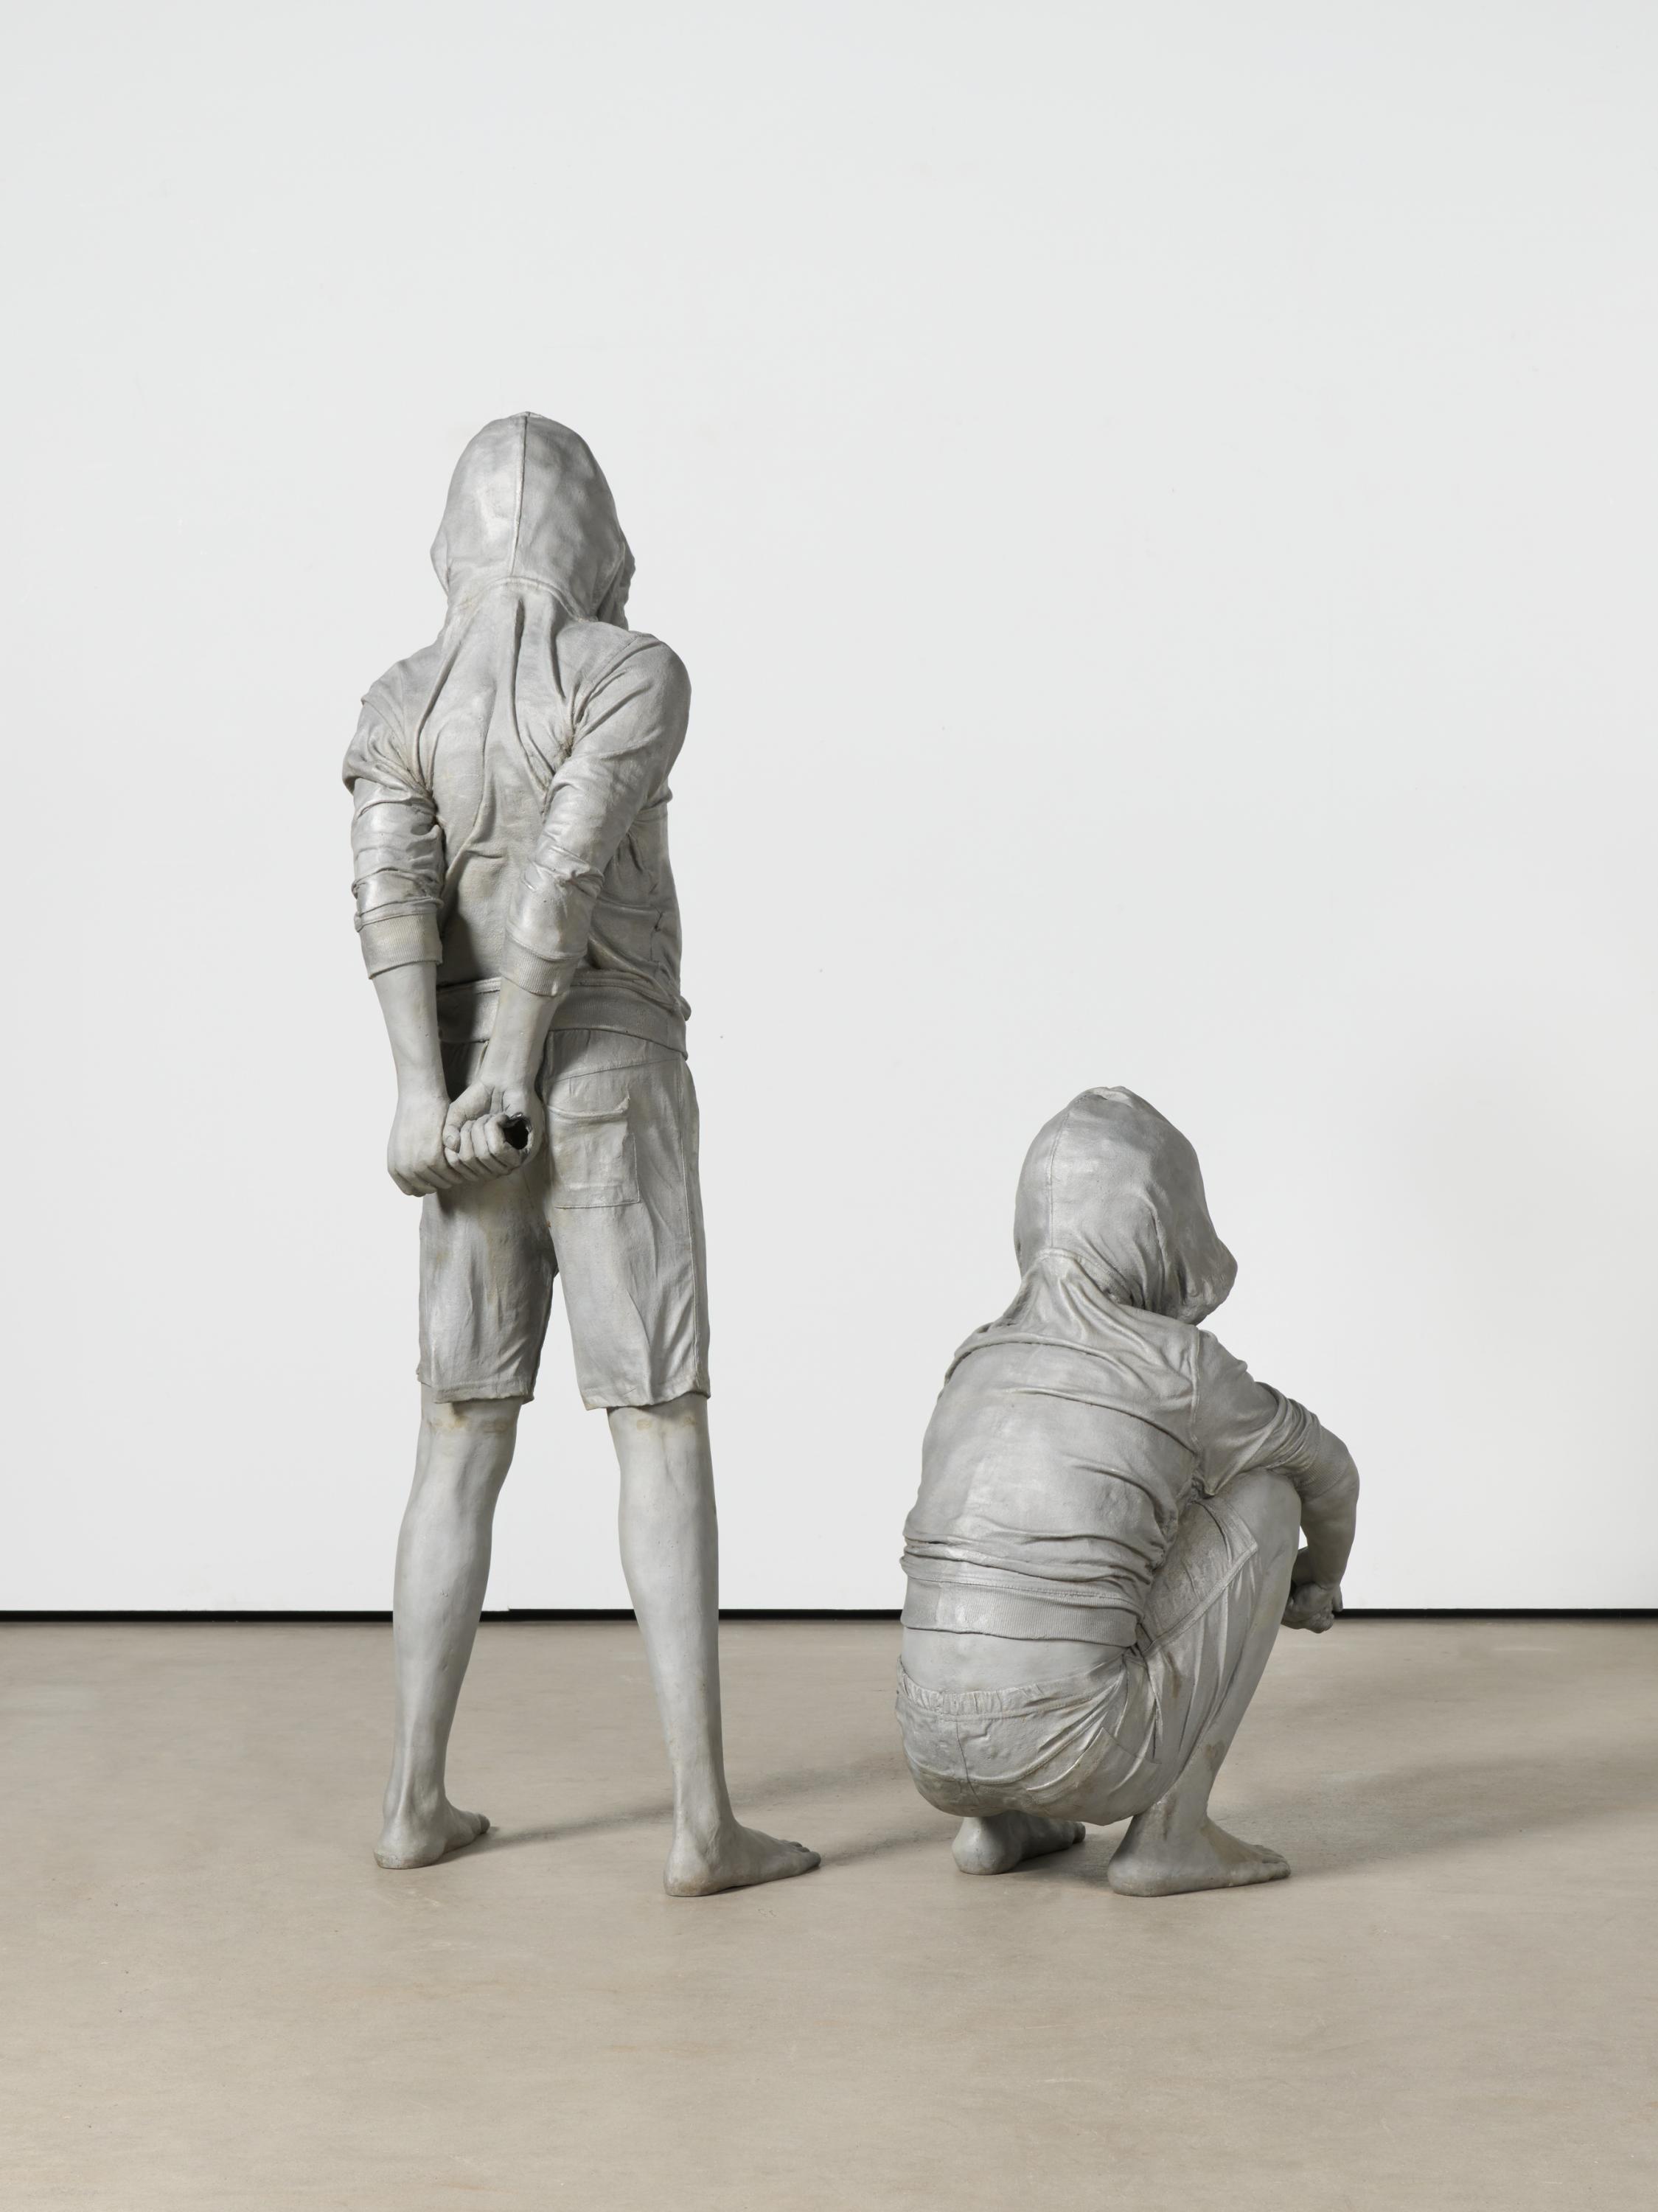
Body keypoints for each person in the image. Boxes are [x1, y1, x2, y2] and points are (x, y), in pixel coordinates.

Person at [344, 412, 817, 1896]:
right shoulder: (630, 671)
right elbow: (568, 860)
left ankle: (414, 1803)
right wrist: (503, 1073)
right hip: (606, 1070)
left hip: (463, 1105)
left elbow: (390, 894)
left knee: (457, 1431)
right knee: (656, 1422)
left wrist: (427, 1094)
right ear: (594, 537)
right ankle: (700, 1826)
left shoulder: (400, 697)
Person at [896, 1087, 1358, 1894]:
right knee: (1268, 1496)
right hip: (1080, 1752)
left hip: (929, 1753)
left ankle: (997, 1822)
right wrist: (1317, 1578)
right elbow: (1329, 1469)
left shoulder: (975, 1356)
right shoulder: (1179, 1365)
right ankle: (1170, 1839)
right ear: (1162, 1223)